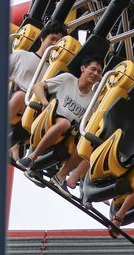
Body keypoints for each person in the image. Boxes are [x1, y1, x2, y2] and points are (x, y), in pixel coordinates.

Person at [17, 56, 103, 185]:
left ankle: (61, 176)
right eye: (93, 69)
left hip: (68, 133)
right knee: (64, 123)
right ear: (83, 68)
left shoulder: (93, 100)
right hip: (49, 120)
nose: (95, 73)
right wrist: (45, 103)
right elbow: (37, 87)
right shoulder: (68, 79)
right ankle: (32, 157)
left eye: (99, 72)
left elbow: (89, 123)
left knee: (87, 144)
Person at [8, 23, 65, 146]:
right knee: (19, 96)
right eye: (52, 39)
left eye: (58, 42)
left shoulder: (53, 71)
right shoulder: (21, 55)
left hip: (30, 108)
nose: (54, 44)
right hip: (13, 96)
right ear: (42, 38)